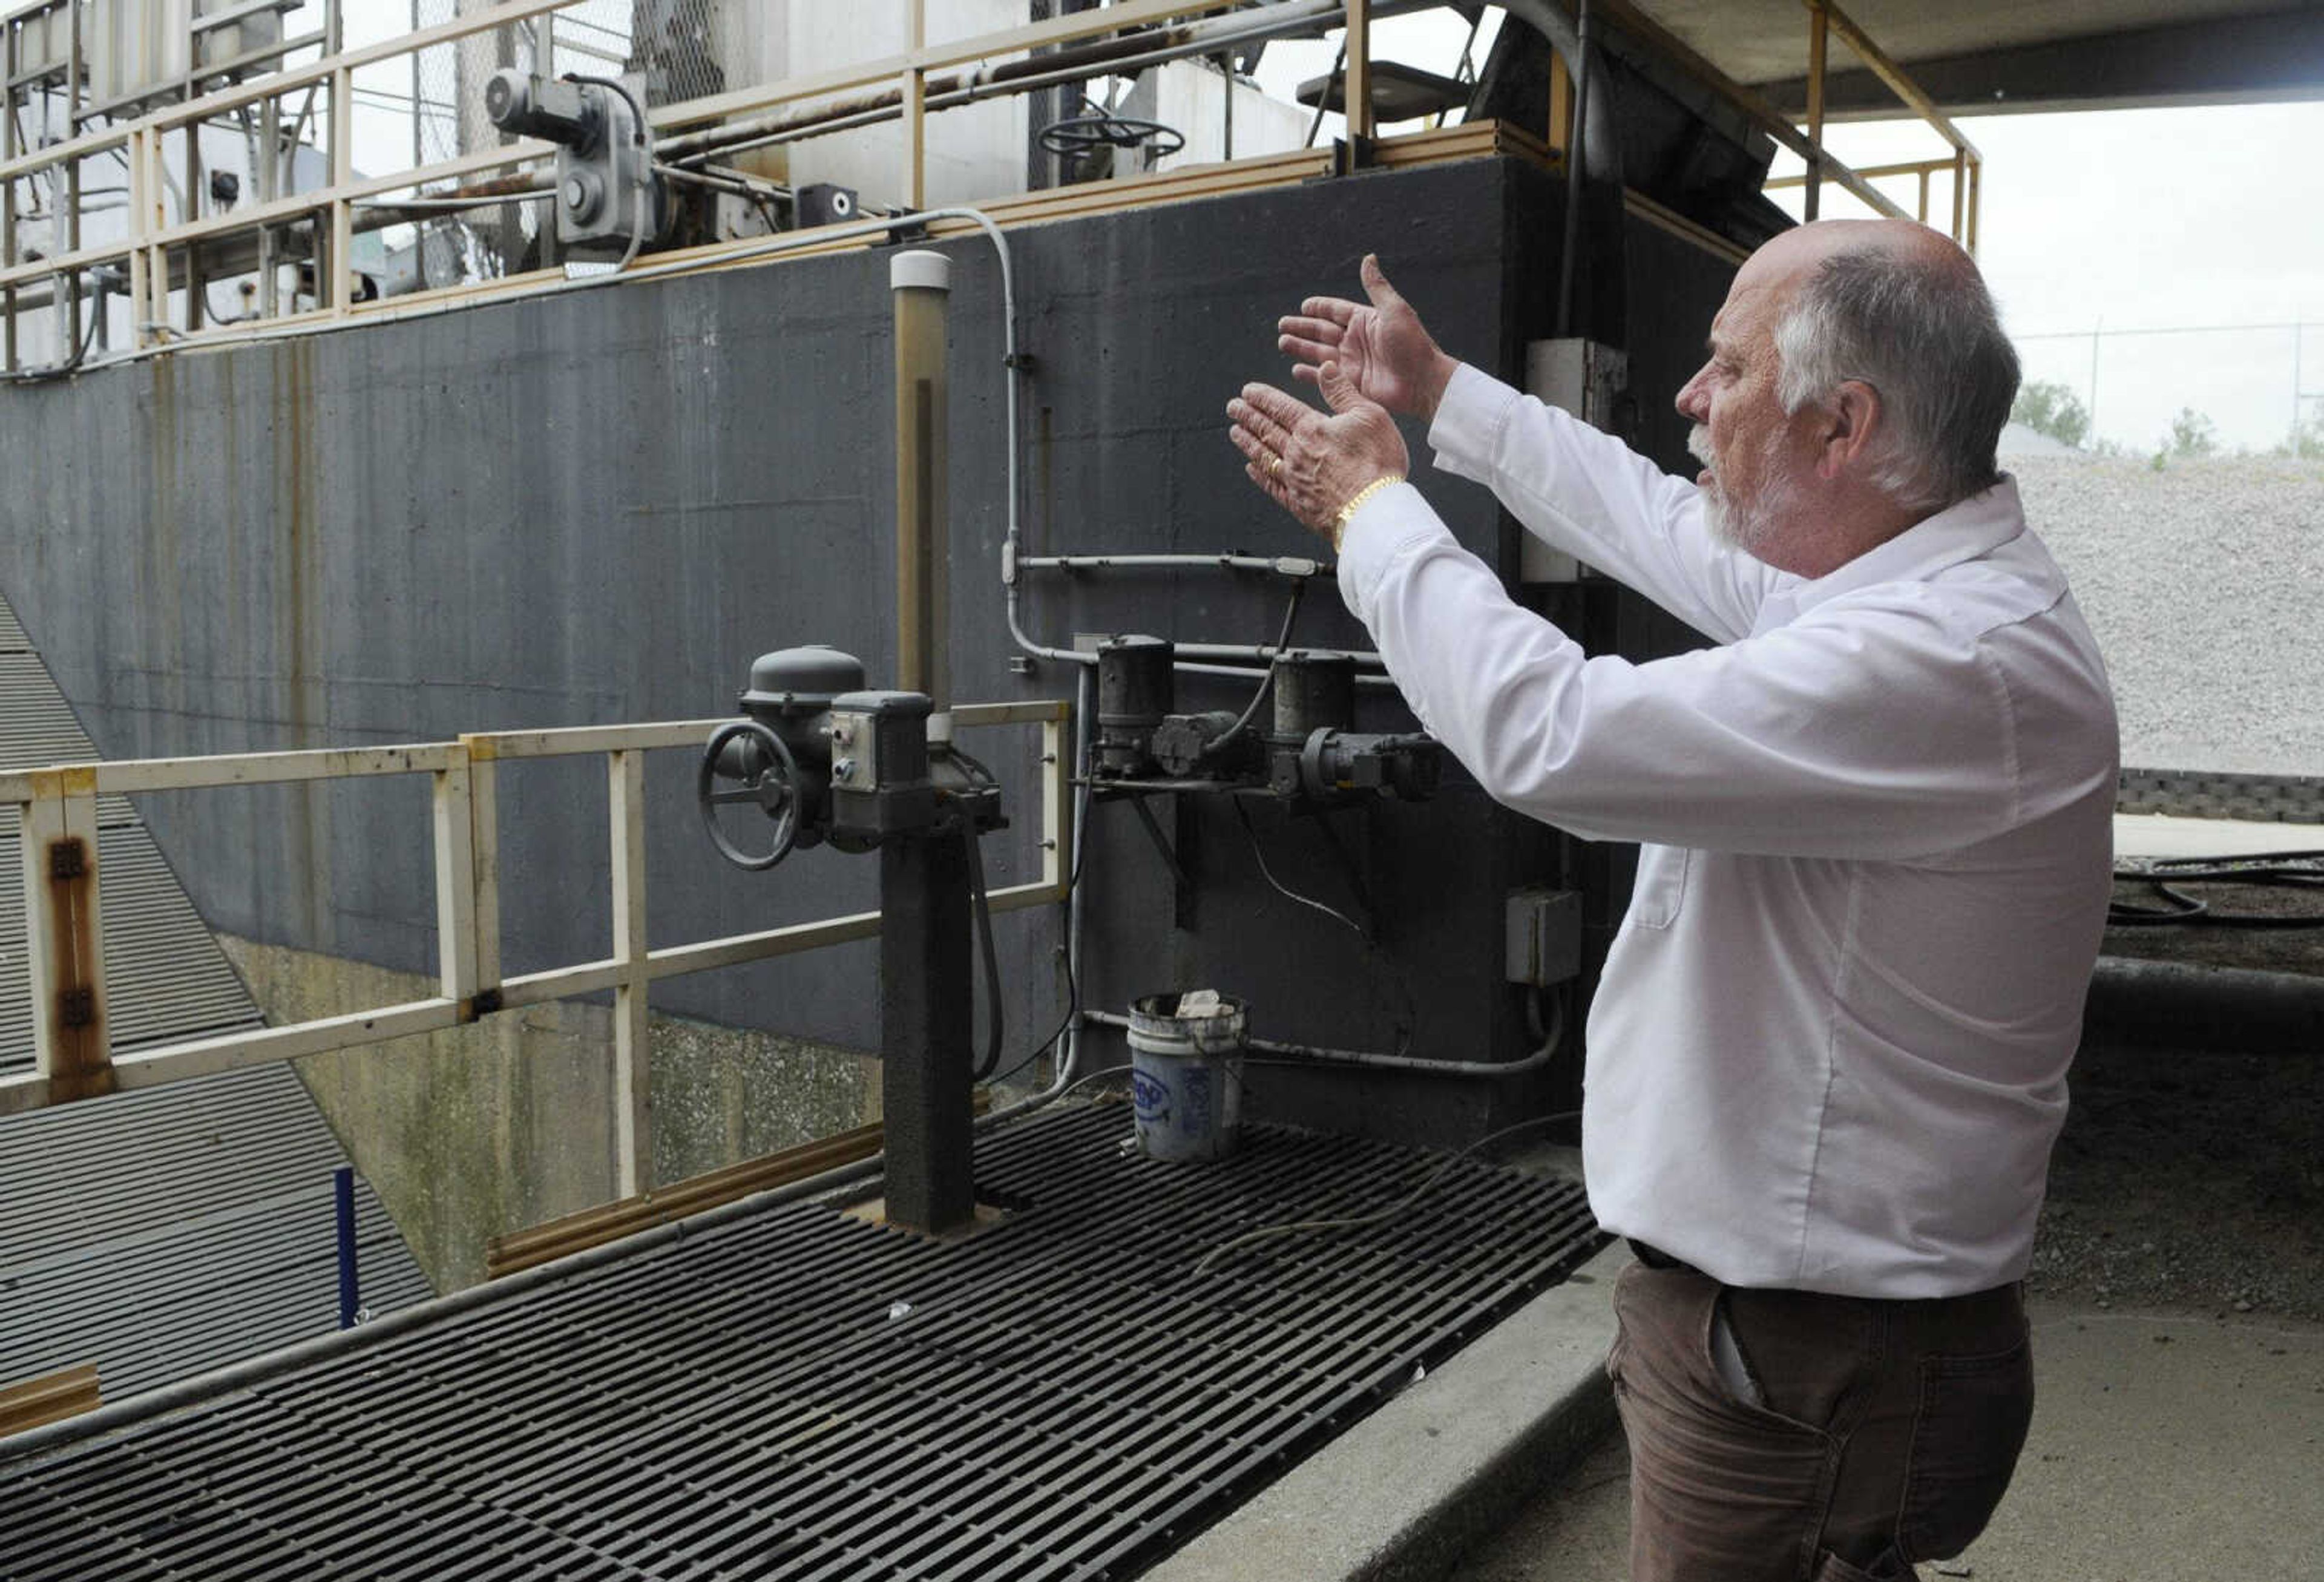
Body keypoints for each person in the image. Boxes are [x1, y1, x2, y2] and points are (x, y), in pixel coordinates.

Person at [1224, 219, 2118, 1582]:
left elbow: (1557, 735)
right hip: (1803, 1340)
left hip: (1808, 1363)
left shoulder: (1944, 656)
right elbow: (1653, 517)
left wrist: (1371, 510)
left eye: (1728, 369)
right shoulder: (1901, 579)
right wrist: (1444, 388)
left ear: (1842, 427)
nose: (1692, 400)